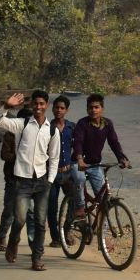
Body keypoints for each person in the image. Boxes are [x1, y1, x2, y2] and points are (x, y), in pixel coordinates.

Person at [0, 90, 60, 272]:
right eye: (35, 104)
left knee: (39, 222)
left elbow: (54, 158)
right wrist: (7, 106)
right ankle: (13, 241)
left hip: (42, 182)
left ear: (46, 105)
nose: (38, 107)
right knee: (20, 220)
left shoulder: (52, 130)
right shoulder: (22, 124)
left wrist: (50, 180)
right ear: (31, 106)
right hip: (22, 182)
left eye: (41, 104)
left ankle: (37, 258)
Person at [72, 93, 131, 219]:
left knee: (103, 201)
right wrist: (80, 159)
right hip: (79, 164)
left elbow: (114, 142)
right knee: (80, 180)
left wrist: (121, 158)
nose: (93, 110)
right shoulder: (82, 124)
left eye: (96, 107)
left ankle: (102, 234)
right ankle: (80, 208)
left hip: (95, 164)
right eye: (90, 107)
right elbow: (78, 142)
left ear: (102, 109)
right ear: (87, 109)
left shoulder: (108, 124)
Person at [0, 106, 34, 251]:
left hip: (30, 180)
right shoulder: (11, 134)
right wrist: (21, 157)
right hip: (13, 178)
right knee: (9, 211)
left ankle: (32, 242)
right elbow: (5, 155)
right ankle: (2, 238)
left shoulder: (36, 135)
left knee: (31, 212)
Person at [47, 95, 81, 247]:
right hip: (52, 173)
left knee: (74, 201)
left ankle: (66, 229)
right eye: (56, 108)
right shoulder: (47, 127)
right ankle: (55, 238)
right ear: (52, 109)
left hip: (68, 172)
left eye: (62, 108)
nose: (59, 110)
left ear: (66, 110)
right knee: (52, 206)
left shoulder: (72, 127)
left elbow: (79, 146)